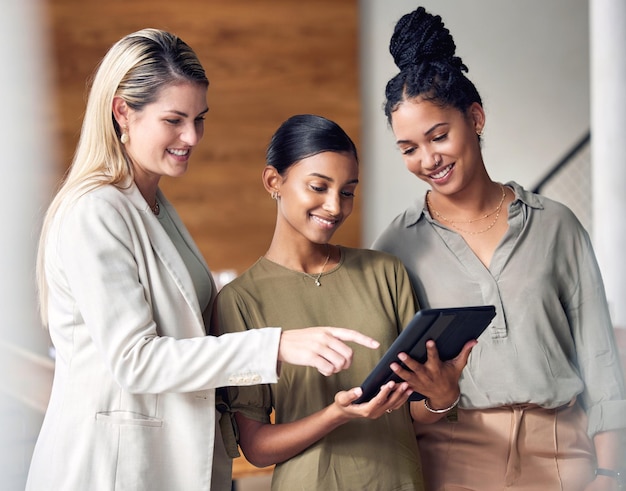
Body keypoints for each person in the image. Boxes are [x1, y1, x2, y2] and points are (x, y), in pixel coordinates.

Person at [26, 30, 382, 491]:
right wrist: (275, 345)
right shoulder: (95, 211)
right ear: (122, 112)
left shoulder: (152, 205)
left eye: (199, 119)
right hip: (109, 468)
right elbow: (136, 360)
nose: (191, 137)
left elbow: (190, 323)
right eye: (174, 120)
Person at [372, 6, 626, 491]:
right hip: (452, 458)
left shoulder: (556, 226)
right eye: (408, 148)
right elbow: (398, 389)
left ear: (476, 117)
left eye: (438, 136)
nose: (428, 159)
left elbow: (601, 363)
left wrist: (611, 473)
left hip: (563, 455)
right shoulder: (396, 246)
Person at [212, 114, 474, 491]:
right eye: (318, 187)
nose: (335, 207)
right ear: (274, 181)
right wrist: (335, 415)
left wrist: (442, 396)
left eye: (347, 191)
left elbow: (411, 412)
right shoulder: (240, 300)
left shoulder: (385, 273)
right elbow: (256, 447)